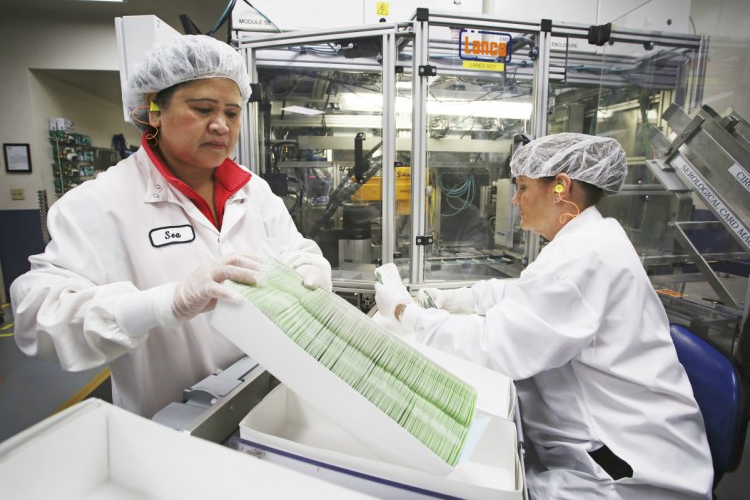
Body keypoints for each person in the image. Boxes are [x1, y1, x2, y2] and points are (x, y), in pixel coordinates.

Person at [375, 133, 713, 499]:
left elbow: (495, 348)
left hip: (628, 470)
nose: (515, 199)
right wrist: (455, 299)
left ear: (560, 188)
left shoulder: (584, 256)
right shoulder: (588, 238)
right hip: (607, 440)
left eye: (521, 187)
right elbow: (525, 292)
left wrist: (404, 312)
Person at [10, 35, 331, 419]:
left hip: (267, 403)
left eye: (231, 113)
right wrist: (165, 303)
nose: (220, 125)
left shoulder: (253, 190)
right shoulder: (100, 203)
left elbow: (295, 251)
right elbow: (38, 319)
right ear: (154, 111)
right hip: (170, 422)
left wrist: (311, 271)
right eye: (202, 109)